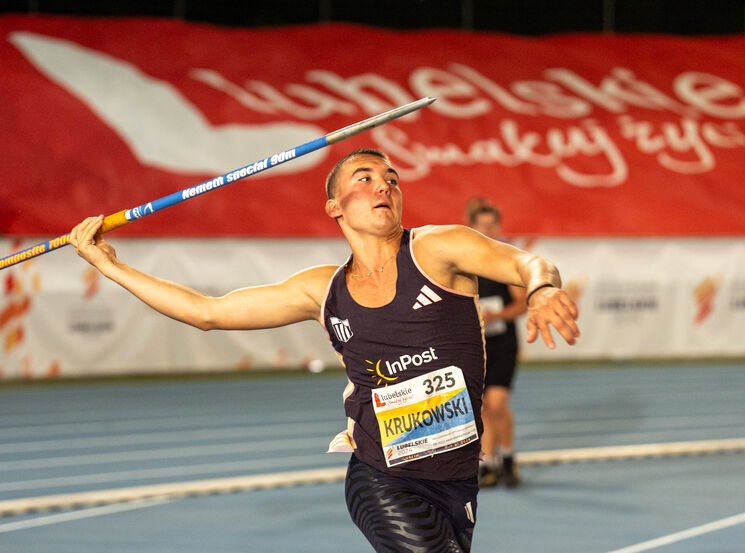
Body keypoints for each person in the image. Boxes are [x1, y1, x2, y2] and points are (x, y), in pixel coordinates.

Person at [69, 148, 580, 553]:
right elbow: (208, 312)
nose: (384, 184)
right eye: (364, 177)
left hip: (457, 477)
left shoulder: (439, 248)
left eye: (392, 178)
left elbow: (527, 263)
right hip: (381, 478)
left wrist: (543, 290)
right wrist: (111, 266)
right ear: (334, 206)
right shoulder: (322, 290)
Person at [465, 199, 526, 488]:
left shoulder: (508, 260)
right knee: (482, 407)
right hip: (475, 344)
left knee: (498, 404)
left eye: (493, 225)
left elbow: (522, 305)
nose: (488, 230)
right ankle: (488, 463)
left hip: (502, 342)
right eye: (482, 225)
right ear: (472, 227)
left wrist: (497, 314)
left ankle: (509, 458)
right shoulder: (463, 262)